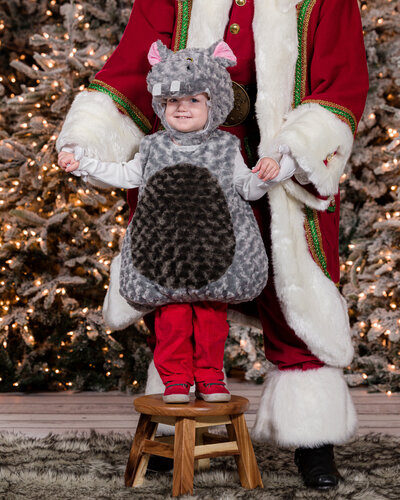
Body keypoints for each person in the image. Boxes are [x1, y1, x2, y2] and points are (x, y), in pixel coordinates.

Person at [56, 0, 369, 489]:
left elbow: (342, 79)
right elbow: (134, 67)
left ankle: (313, 438)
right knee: (175, 282)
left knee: (296, 291)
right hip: (182, 152)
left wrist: (297, 149)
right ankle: (175, 419)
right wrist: (88, 138)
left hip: (274, 157)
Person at [58, 40, 295, 404]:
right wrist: (85, 162)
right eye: (172, 101)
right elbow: (125, 175)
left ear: (214, 103)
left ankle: (211, 377)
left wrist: (269, 172)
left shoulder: (225, 148)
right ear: (160, 104)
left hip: (213, 251)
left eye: (194, 100)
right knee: (171, 322)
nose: (182, 108)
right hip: (165, 254)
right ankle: (176, 380)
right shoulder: (152, 147)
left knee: (211, 322)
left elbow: (247, 189)